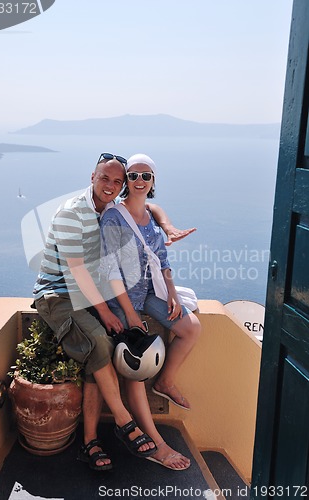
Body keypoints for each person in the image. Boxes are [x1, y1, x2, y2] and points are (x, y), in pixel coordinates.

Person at [32, 152, 195, 471]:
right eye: (104, 178)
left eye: (117, 181)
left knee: (102, 352)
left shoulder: (110, 208)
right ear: (92, 176)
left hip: (91, 295)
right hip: (58, 294)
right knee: (101, 341)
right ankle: (124, 422)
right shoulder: (71, 212)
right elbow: (76, 272)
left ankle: (90, 442)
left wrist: (167, 224)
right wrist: (107, 314)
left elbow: (148, 207)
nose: (110, 185)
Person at [100, 154, 201, 414]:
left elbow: (162, 260)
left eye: (146, 175)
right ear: (127, 181)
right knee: (137, 358)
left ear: (153, 180)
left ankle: (165, 382)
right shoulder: (113, 218)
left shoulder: (150, 214)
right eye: (133, 175)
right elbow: (112, 272)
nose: (140, 180)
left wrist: (173, 294)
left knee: (191, 328)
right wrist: (131, 315)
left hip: (148, 291)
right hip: (120, 298)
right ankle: (145, 434)